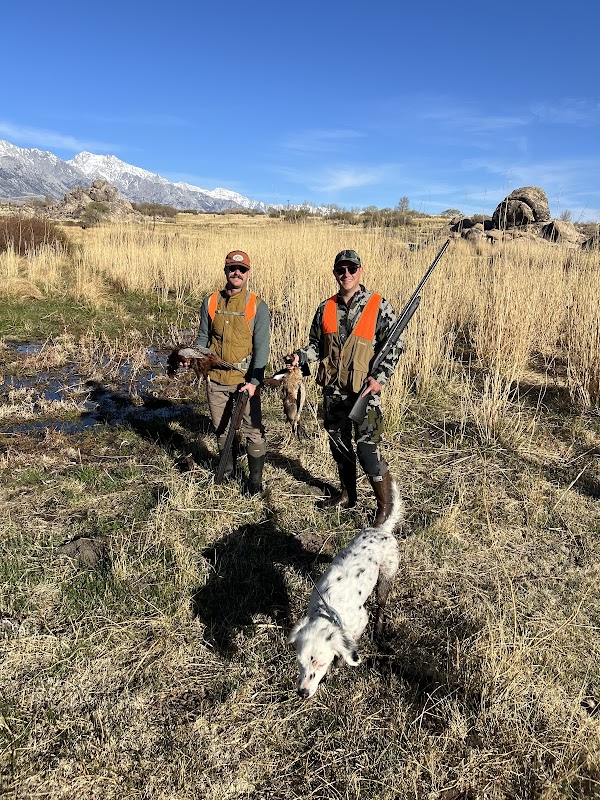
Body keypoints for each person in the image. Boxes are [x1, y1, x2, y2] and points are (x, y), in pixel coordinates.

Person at [286, 249, 403, 525]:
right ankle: (348, 495)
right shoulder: (325, 307)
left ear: (361, 271)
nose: (346, 274)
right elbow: (317, 345)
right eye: (341, 270)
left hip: (365, 389)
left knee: (367, 449)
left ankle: (385, 506)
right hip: (334, 390)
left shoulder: (378, 305)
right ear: (335, 273)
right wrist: (299, 357)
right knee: (339, 443)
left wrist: (380, 378)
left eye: (352, 269)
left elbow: (395, 345)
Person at [195, 250, 270, 494]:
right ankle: (227, 472)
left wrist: (254, 382)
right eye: (232, 268)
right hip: (215, 379)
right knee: (221, 429)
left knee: (253, 432)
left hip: (244, 382)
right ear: (225, 271)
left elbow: (261, 349)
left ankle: (255, 482)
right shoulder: (210, 301)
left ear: (248, 273)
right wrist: (194, 360)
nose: (237, 273)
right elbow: (203, 339)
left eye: (242, 269)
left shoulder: (257, 306)